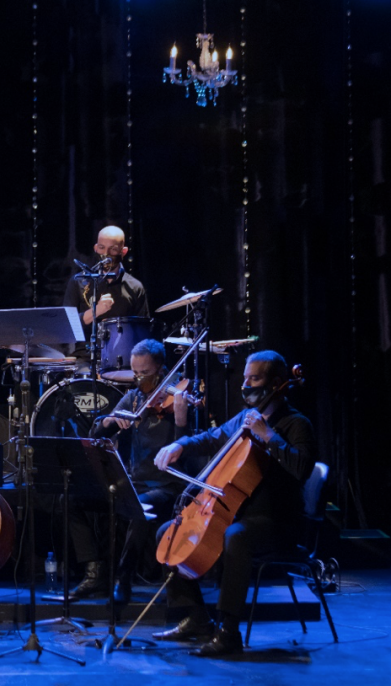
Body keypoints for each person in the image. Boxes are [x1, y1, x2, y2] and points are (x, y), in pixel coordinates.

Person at [151, 350, 316, 657]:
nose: (246, 385)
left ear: (276, 383)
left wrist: (268, 436)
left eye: (254, 379)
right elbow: (212, 438)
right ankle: (195, 618)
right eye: (244, 379)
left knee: (236, 536)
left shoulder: (296, 424)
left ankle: (228, 632)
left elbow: (303, 469)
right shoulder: (245, 418)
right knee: (167, 532)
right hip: (238, 512)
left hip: (277, 520)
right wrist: (179, 445)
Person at [67, 339, 191, 601]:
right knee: (73, 500)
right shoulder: (134, 398)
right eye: (135, 373)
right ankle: (95, 573)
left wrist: (180, 421)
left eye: (144, 373)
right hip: (134, 482)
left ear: (160, 367)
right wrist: (111, 420)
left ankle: (123, 578)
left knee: (138, 506)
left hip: (167, 486)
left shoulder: (178, 398)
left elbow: (192, 451)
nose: (138, 379)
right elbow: (96, 432)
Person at [61, 225, 149, 362]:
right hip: (85, 357)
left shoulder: (135, 287)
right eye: (102, 248)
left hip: (122, 360)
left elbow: (142, 332)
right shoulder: (79, 281)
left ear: (123, 251)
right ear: (95, 248)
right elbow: (65, 326)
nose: (106, 254)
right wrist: (96, 311)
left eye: (113, 249)